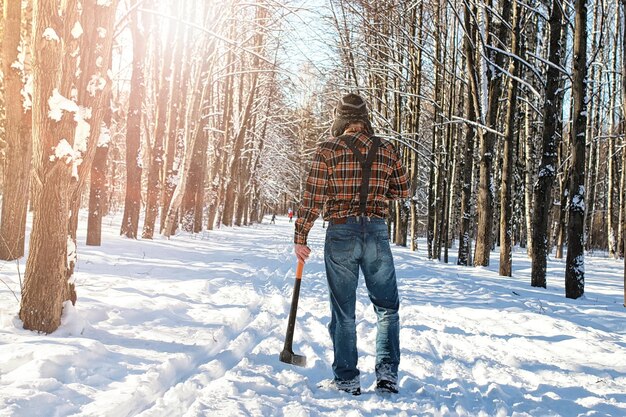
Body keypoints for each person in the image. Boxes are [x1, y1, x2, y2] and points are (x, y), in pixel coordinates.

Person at [294, 93, 410, 395]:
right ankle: (387, 376)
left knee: (343, 311)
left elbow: (313, 199)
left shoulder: (327, 150)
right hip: (375, 232)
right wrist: (375, 186)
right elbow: (402, 190)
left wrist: (300, 237)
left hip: (341, 233)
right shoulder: (386, 148)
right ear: (365, 117)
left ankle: (347, 379)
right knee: (387, 309)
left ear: (340, 118)